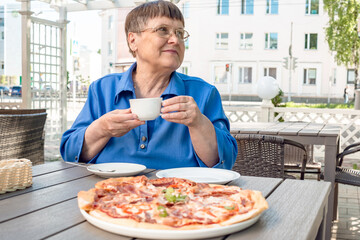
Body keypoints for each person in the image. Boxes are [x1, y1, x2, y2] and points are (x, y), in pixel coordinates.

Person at [60, 0, 237, 170]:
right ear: (132, 40)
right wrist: (101, 129)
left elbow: (225, 163)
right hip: (109, 193)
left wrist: (199, 123)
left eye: (180, 33)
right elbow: (70, 154)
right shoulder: (102, 90)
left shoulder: (204, 93)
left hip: (181, 196)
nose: (175, 40)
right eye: (162, 30)